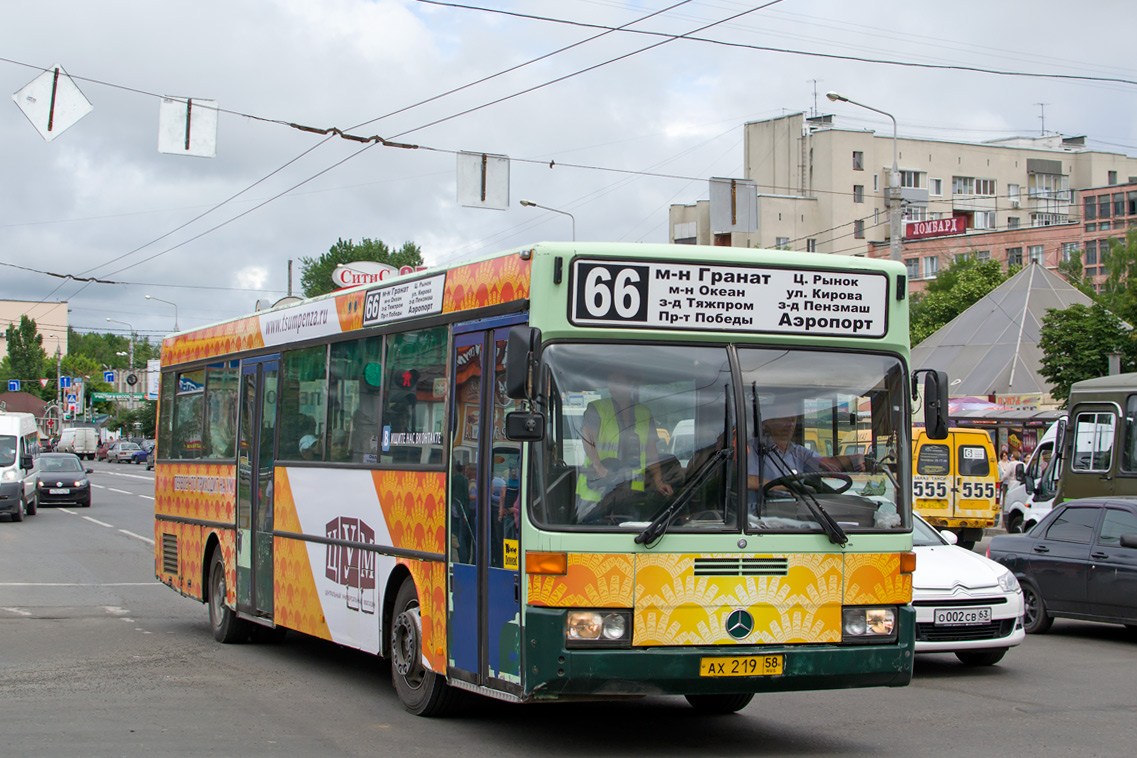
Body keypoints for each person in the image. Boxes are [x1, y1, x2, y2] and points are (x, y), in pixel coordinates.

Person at [577, 369, 674, 523]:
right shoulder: (597, 408)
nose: (612, 386)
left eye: (618, 381)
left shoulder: (644, 413)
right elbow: (587, 438)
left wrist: (658, 481)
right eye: (610, 381)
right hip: (596, 493)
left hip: (631, 493)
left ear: (631, 384)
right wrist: (598, 466)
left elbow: (651, 451)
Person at [747, 415, 863, 503]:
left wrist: (855, 459)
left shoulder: (799, 452)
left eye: (793, 420)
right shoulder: (753, 448)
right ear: (768, 422)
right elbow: (747, 480)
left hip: (797, 512)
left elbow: (829, 464)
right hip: (760, 515)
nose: (790, 425)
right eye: (785, 420)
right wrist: (788, 487)